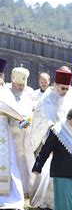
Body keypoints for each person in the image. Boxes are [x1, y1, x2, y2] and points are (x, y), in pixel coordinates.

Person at [30, 69, 72, 210]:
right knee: (49, 170)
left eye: (67, 89)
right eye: (62, 88)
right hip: (51, 137)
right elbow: (47, 119)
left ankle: (58, 203)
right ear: (55, 85)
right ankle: (45, 201)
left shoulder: (67, 99)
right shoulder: (47, 99)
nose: (65, 91)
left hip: (64, 139)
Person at [0, 72, 28, 210]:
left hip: (4, 138)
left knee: (9, 169)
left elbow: (15, 118)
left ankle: (11, 205)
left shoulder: (6, 94)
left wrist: (22, 122)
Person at [7, 67, 36, 196]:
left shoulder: (29, 94)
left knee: (24, 162)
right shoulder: (6, 93)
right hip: (9, 135)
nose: (20, 88)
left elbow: (33, 111)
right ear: (13, 82)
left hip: (24, 135)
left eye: (22, 85)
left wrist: (27, 121)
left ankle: (25, 188)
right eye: (18, 85)